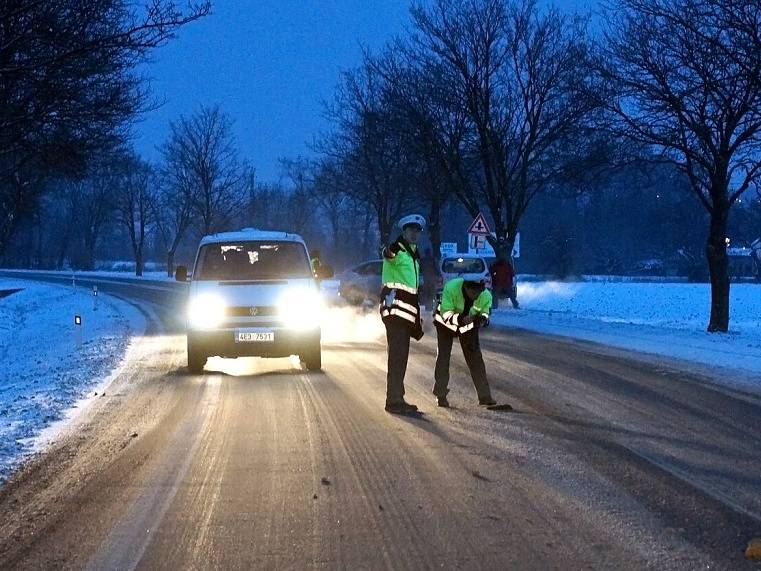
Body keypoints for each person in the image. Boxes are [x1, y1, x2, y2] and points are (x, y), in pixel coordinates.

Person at [380, 213, 426, 414]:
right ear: (403, 231)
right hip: (395, 311)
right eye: (410, 230)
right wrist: (389, 248)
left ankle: (397, 397)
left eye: (417, 231)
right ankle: (394, 400)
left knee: (401, 355)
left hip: (405, 312)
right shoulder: (398, 250)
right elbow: (387, 253)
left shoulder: (413, 254)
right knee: (397, 355)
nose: (414, 234)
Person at [432, 277, 496, 407]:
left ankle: (484, 396)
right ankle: (441, 394)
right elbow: (446, 314)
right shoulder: (451, 288)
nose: (475, 297)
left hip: (468, 328)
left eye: (478, 293)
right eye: (473, 293)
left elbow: (486, 312)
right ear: (465, 288)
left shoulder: (485, 296)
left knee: (475, 359)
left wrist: (482, 319)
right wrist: (461, 319)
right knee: (443, 357)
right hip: (445, 326)